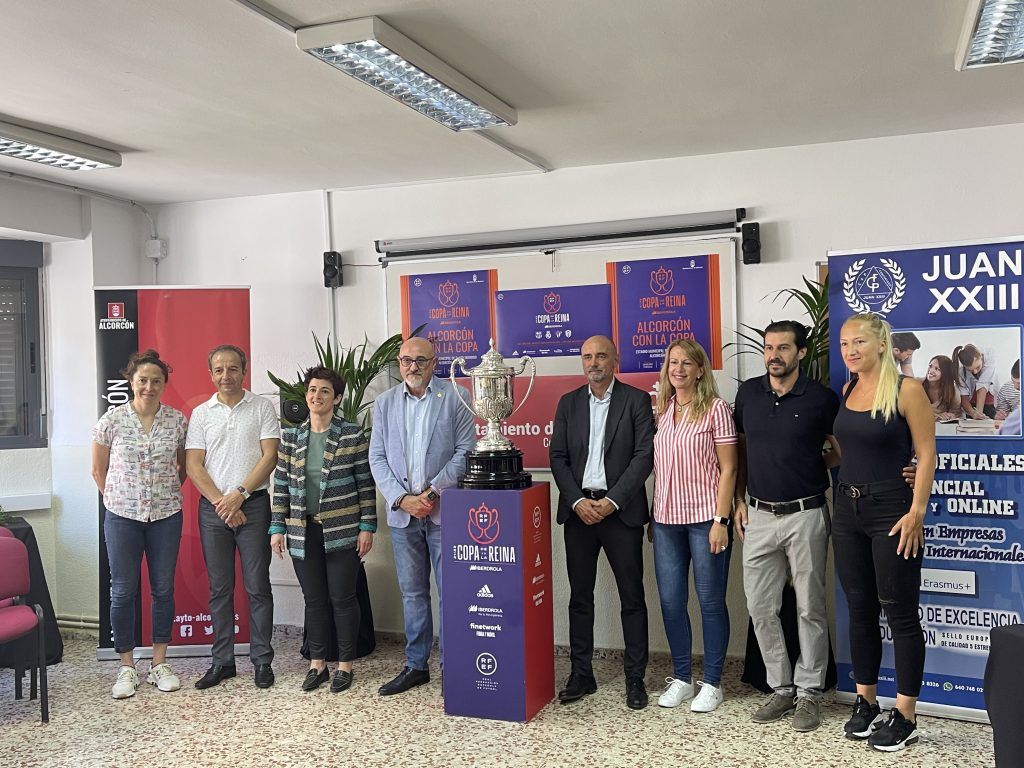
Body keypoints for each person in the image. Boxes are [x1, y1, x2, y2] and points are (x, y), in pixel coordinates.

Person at [834, 313, 936, 752]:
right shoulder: (848, 388)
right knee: (859, 609)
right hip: (846, 508)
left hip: (892, 510)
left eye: (858, 342)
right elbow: (847, 448)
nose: (850, 350)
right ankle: (866, 701)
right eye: (843, 344)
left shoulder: (908, 390)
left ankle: (906, 713)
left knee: (899, 612)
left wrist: (917, 510)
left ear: (881, 345)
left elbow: (927, 454)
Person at [733, 321, 840, 731]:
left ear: (800, 352)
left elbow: (839, 450)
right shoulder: (748, 394)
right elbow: (740, 449)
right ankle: (781, 687)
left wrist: (812, 464)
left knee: (810, 606)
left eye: (783, 348)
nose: (774, 355)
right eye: (768, 348)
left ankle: (809, 692)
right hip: (758, 516)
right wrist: (738, 499)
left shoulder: (821, 399)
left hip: (806, 514)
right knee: (761, 607)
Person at [549, 335, 655, 709]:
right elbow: (557, 458)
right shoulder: (568, 403)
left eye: (601, 356)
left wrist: (611, 501)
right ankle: (582, 674)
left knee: (632, 597)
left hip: (620, 513)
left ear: (615, 360)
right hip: (578, 513)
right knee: (580, 598)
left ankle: (635, 677)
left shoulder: (637, 401)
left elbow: (644, 456)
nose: (593, 362)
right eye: (587, 356)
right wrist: (578, 500)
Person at [369, 336, 474, 695]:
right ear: (399, 363)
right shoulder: (383, 404)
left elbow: (465, 451)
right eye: (406, 360)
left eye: (420, 360)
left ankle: (453, 666)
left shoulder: (455, 398)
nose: (412, 367)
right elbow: (377, 458)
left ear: (434, 362)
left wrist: (430, 494)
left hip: (443, 512)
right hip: (403, 516)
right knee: (413, 593)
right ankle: (416, 666)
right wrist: (402, 499)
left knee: (451, 592)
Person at [270, 366, 376, 693]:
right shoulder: (290, 438)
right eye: (313, 390)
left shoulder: (351, 434)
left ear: (337, 398)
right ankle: (318, 664)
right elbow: (283, 485)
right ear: (306, 395)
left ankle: (345, 665)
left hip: (343, 531)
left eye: (325, 391)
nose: (317, 396)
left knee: (342, 598)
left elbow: (365, 484)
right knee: (314, 599)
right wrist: (277, 527)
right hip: (303, 532)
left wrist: (367, 527)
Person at [91, 350, 187, 699]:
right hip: (121, 517)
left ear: (164, 385)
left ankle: (159, 663)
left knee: (163, 589)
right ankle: (126, 667)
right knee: (123, 591)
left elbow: (183, 467)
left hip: (165, 516)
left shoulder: (177, 421)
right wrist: (119, 499)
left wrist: (163, 495)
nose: (149, 386)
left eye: (156, 381)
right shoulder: (111, 421)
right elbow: (97, 470)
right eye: (142, 380)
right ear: (131, 382)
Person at [186, 344, 280, 690]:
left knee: (258, 587)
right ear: (211, 374)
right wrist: (221, 503)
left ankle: (262, 661)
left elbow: (269, 456)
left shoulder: (262, 407)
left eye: (233, 369)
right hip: (214, 511)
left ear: (244, 370)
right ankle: (222, 661)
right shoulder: (201, 413)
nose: (226, 376)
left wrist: (238, 496)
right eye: (219, 370)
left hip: (253, 506)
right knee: (219, 588)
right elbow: (194, 464)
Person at [651, 338, 737, 714]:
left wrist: (721, 520)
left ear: (701, 369)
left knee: (710, 602)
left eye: (687, 363)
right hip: (666, 522)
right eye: (673, 362)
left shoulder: (716, 409)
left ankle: (713, 682)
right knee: (671, 602)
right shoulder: (662, 410)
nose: (679, 369)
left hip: (705, 521)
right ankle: (683, 678)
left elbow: (730, 468)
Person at [953, 344, 998, 420]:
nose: (975, 372)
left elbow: (983, 386)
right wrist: (973, 414)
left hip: (989, 402)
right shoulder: (960, 371)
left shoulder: (989, 357)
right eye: (970, 370)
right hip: (971, 404)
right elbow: (964, 397)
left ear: (981, 356)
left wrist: (979, 413)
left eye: (977, 367)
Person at [921, 355, 960, 421]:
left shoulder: (953, 392)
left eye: (937, 369)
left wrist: (951, 416)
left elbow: (956, 414)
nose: (931, 371)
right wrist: (938, 416)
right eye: (930, 366)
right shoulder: (917, 385)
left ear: (945, 373)